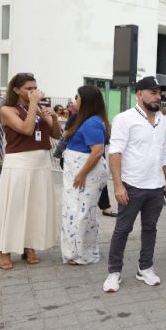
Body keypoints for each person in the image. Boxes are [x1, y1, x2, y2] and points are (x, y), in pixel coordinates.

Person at [102, 76, 166, 293]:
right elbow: (115, 153)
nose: (157, 96)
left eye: (159, 92)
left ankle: (145, 268)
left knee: (150, 228)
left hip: (156, 186)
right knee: (123, 229)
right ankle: (114, 272)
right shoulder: (125, 119)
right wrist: (118, 186)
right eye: (152, 91)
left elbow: (162, 152)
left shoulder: (163, 120)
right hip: (132, 185)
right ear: (139, 94)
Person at [0, 73, 60, 270]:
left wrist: (52, 117)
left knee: (35, 207)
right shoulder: (7, 110)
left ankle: (29, 246)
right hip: (19, 163)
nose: (33, 91)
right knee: (14, 208)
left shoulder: (36, 109)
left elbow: (55, 135)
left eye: (34, 87)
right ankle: (5, 249)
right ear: (16, 89)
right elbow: (26, 129)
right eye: (28, 88)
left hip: (41, 163)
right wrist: (34, 106)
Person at [60, 86, 110, 265]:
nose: (75, 100)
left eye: (77, 97)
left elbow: (97, 151)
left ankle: (77, 253)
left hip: (84, 174)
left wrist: (81, 174)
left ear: (86, 100)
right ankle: (78, 251)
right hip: (79, 172)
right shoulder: (87, 120)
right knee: (80, 211)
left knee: (79, 212)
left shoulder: (92, 123)